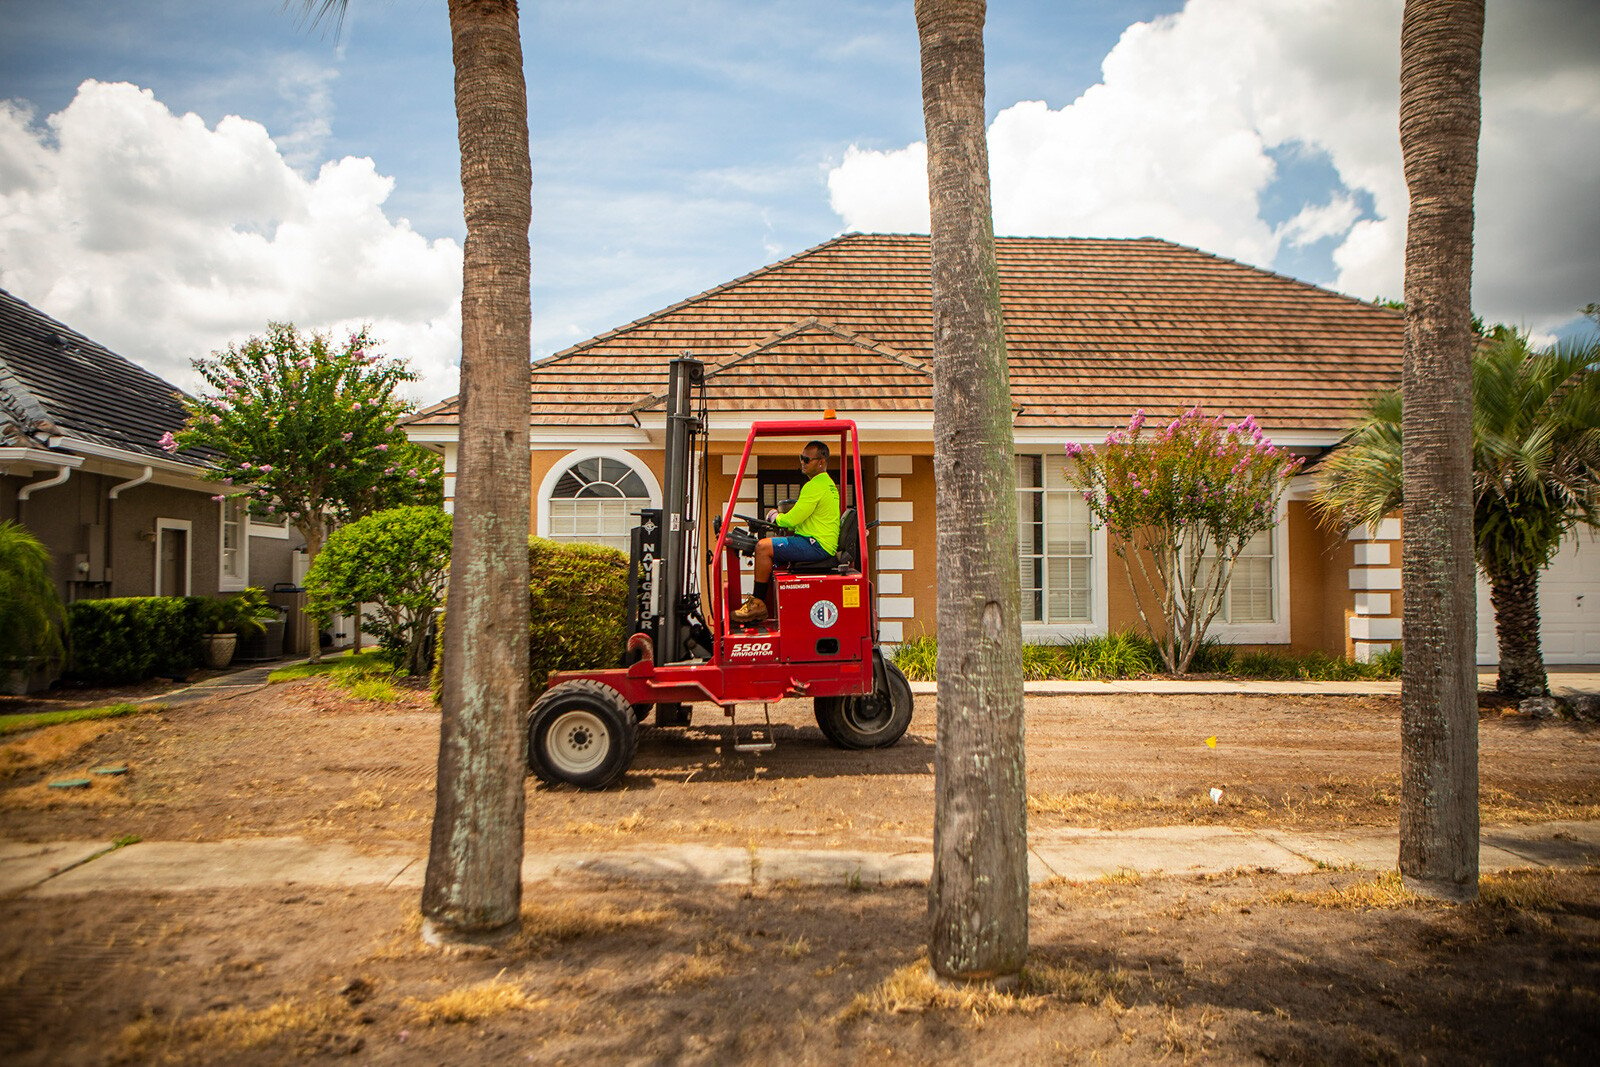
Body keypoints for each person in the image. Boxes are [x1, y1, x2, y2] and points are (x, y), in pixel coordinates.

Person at [732, 440, 840, 624]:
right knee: (773, 555)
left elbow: (792, 519)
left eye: (807, 459)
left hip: (816, 544)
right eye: (801, 458)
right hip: (817, 541)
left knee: (762, 547)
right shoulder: (826, 484)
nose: (803, 463)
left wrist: (775, 516)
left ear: (821, 462)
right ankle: (765, 605)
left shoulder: (815, 486)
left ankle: (758, 605)